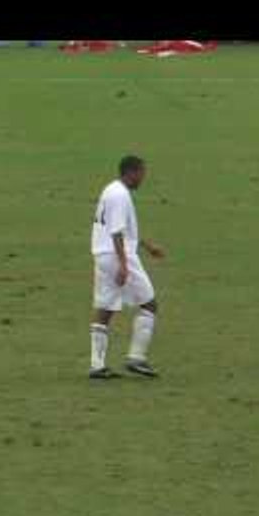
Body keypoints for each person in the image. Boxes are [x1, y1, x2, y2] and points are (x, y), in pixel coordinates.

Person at [89, 156, 165, 379]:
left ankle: (96, 365)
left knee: (106, 308)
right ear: (132, 172)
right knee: (149, 304)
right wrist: (123, 264)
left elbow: (119, 228)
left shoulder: (111, 190)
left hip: (103, 255)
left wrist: (146, 245)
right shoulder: (121, 195)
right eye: (142, 173)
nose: (143, 178)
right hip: (118, 256)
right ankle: (136, 358)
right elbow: (116, 233)